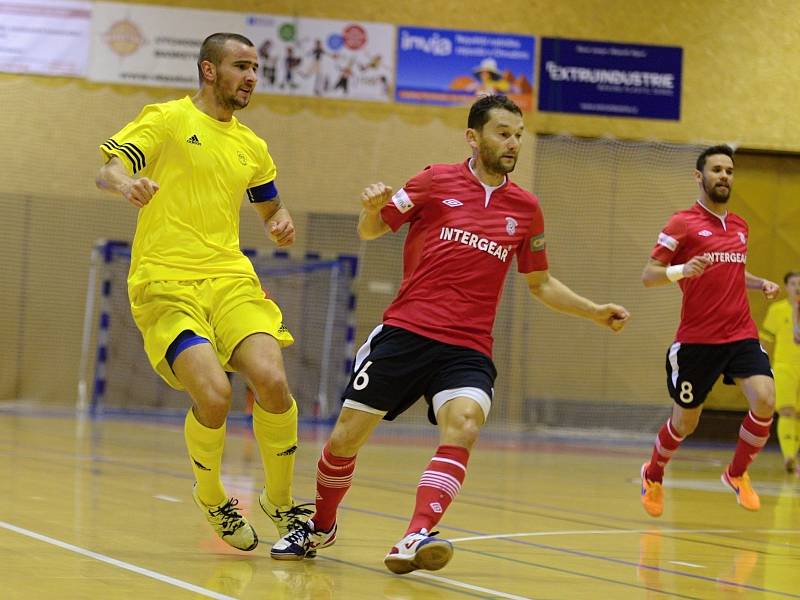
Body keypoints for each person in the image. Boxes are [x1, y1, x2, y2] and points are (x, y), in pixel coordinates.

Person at [270, 94, 630, 573]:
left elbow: (540, 283)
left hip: (468, 347)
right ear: (473, 136)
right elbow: (372, 230)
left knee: (465, 425)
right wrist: (372, 209)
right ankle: (322, 526)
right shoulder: (435, 181)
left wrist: (593, 311)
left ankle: (414, 535)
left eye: (519, 135)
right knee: (344, 441)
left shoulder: (525, 208)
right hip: (406, 333)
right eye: (503, 133)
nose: (513, 143)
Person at [95, 32, 311, 551]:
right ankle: (212, 495)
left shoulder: (252, 146)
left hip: (230, 279)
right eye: (241, 66)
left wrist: (279, 221)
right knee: (215, 395)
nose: (253, 77)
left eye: (256, 68)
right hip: (165, 282)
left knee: (272, 381)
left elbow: (269, 206)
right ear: (209, 71)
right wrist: (127, 184)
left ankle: (280, 503)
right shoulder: (168, 119)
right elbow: (111, 167)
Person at [639, 144, 779, 517]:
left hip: (740, 334)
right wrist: (683, 270)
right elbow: (648, 275)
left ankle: (736, 474)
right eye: (717, 170)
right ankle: (653, 474)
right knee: (685, 423)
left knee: (765, 399)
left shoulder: (740, 226)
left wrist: (759, 282)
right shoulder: (681, 223)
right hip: (698, 341)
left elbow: (731, 271)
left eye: (729, 171)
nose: (724, 176)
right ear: (699, 177)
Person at [760, 271, 800, 473]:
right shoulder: (777, 310)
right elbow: (765, 341)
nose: (797, 287)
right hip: (784, 366)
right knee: (786, 410)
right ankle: (789, 457)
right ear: (786, 287)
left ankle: (795, 454)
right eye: (793, 283)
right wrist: (761, 366)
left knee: (798, 414)